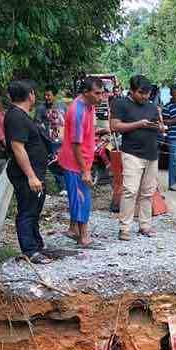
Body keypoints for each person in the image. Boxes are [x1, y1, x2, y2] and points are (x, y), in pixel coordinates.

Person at [110, 74, 164, 241]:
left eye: (147, 93)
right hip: (132, 153)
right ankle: (124, 228)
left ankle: (145, 225)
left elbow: (159, 125)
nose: (145, 96)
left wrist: (160, 127)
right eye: (141, 93)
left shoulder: (152, 107)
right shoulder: (121, 104)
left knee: (148, 192)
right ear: (132, 91)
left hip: (152, 154)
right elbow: (114, 126)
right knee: (130, 191)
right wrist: (139, 124)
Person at [3, 80, 50, 264]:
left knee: (34, 209)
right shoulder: (16, 117)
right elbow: (18, 147)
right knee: (27, 211)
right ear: (30, 94)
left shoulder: (21, 115)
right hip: (25, 175)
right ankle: (30, 250)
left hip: (34, 173)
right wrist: (30, 176)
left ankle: (36, 244)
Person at [57, 77, 104, 248]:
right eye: (97, 93)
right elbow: (76, 144)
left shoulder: (89, 106)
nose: (101, 97)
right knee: (82, 198)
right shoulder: (78, 110)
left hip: (81, 160)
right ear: (86, 92)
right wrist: (85, 171)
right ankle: (84, 237)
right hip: (75, 163)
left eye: (102, 93)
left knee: (76, 196)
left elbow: (84, 132)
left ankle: (73, 229)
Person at [35, 88, 67, 195]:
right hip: (48, 141)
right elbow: (37, 124)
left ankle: (64, 187)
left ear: (54, 95)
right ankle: (47, 190)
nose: (46, 97)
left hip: (62, 139)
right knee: (51, 163)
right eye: (45, 95)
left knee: (62, 162)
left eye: (49, 95)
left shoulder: (62, 105)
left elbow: (67, 120)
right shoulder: (41, 108)